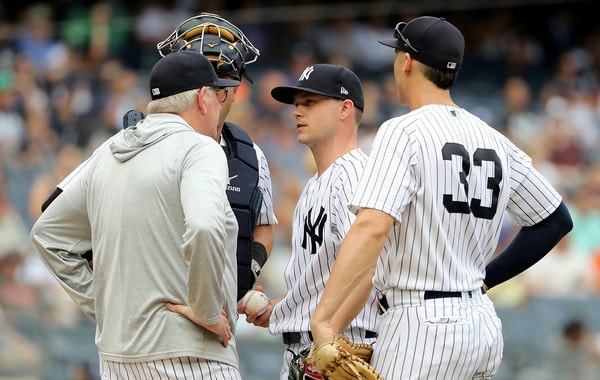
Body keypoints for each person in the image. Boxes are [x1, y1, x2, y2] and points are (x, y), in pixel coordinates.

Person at [310, 16, 574, 379]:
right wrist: (486, 279)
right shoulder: (493, 138)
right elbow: (555, 220)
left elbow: (372, 228)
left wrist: (323, 320)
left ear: (407, 63)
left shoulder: (403, 131)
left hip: (421, 326)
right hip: (481, 325)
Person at [30, 51, 243, 379]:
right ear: (202, 98)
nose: (219, 105)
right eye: (217, 94)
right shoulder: (200, 148)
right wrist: (208, 311)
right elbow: (203, 226)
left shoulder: (109, 152)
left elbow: (46, 235)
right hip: (188, 354)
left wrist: (105, 310)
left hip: (117, 358)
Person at [243, 63, 380, 380]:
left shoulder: (352, 176)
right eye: (297, 104)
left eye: (310, 102)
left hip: (339, 347)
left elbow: (367, 268)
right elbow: (322, 280)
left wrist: (328, 335)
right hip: (307, 349)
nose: (297, 112)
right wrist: (282, 308)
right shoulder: (317, 182)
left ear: (345, 108)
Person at [156, 13, 278, 303]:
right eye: (201, 88)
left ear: (235, 91)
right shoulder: (142, 142)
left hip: (220, 320)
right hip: (157, 312)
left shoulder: (248, 153)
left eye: (220, 89)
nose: (208, 98)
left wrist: (242, 277)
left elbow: (263, 226)